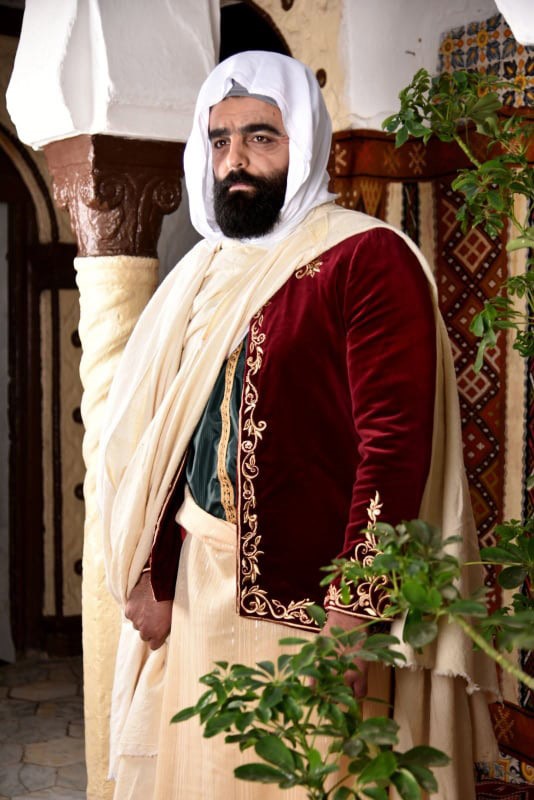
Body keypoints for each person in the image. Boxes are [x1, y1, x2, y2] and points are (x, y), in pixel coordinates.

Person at [98, 51, 497, 800]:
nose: (235, 160)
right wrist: (155, 570)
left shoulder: (363, 257)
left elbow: (393, 446)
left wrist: (354, 611)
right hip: (199, 592)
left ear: (304, 144)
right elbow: (183, 440)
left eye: (260, 137)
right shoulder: (206, 272)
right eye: (220, 141)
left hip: (310, 613)